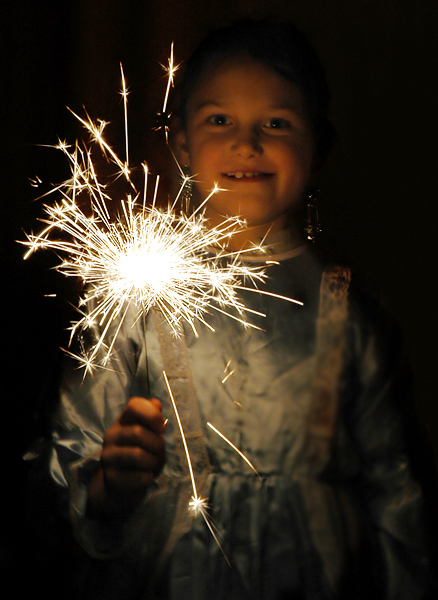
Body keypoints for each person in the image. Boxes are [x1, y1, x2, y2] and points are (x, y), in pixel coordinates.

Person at [28, 19, 435, 600]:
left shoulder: (351, 313)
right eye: (221, 120)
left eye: (277, 122)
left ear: (319, 145)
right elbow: (68, 457)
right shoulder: (136, 296)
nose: (248, 143)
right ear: (181, 141)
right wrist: (107, 487)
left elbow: (398, 495)